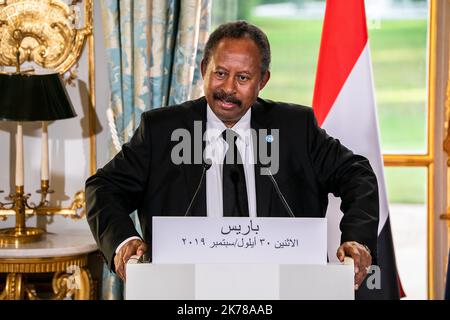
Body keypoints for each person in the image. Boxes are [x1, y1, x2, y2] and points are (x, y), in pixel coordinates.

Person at [86, 21, 379, 290]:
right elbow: (104, 188)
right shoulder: (162, 130)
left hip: (284, 288)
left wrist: (357, 239)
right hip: (185, 292)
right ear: (204, 69)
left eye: (242, 78)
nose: (227, 89)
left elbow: (357, 174)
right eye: (220, 73)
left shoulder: (294, 128)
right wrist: (125, 241)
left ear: (262, 80)